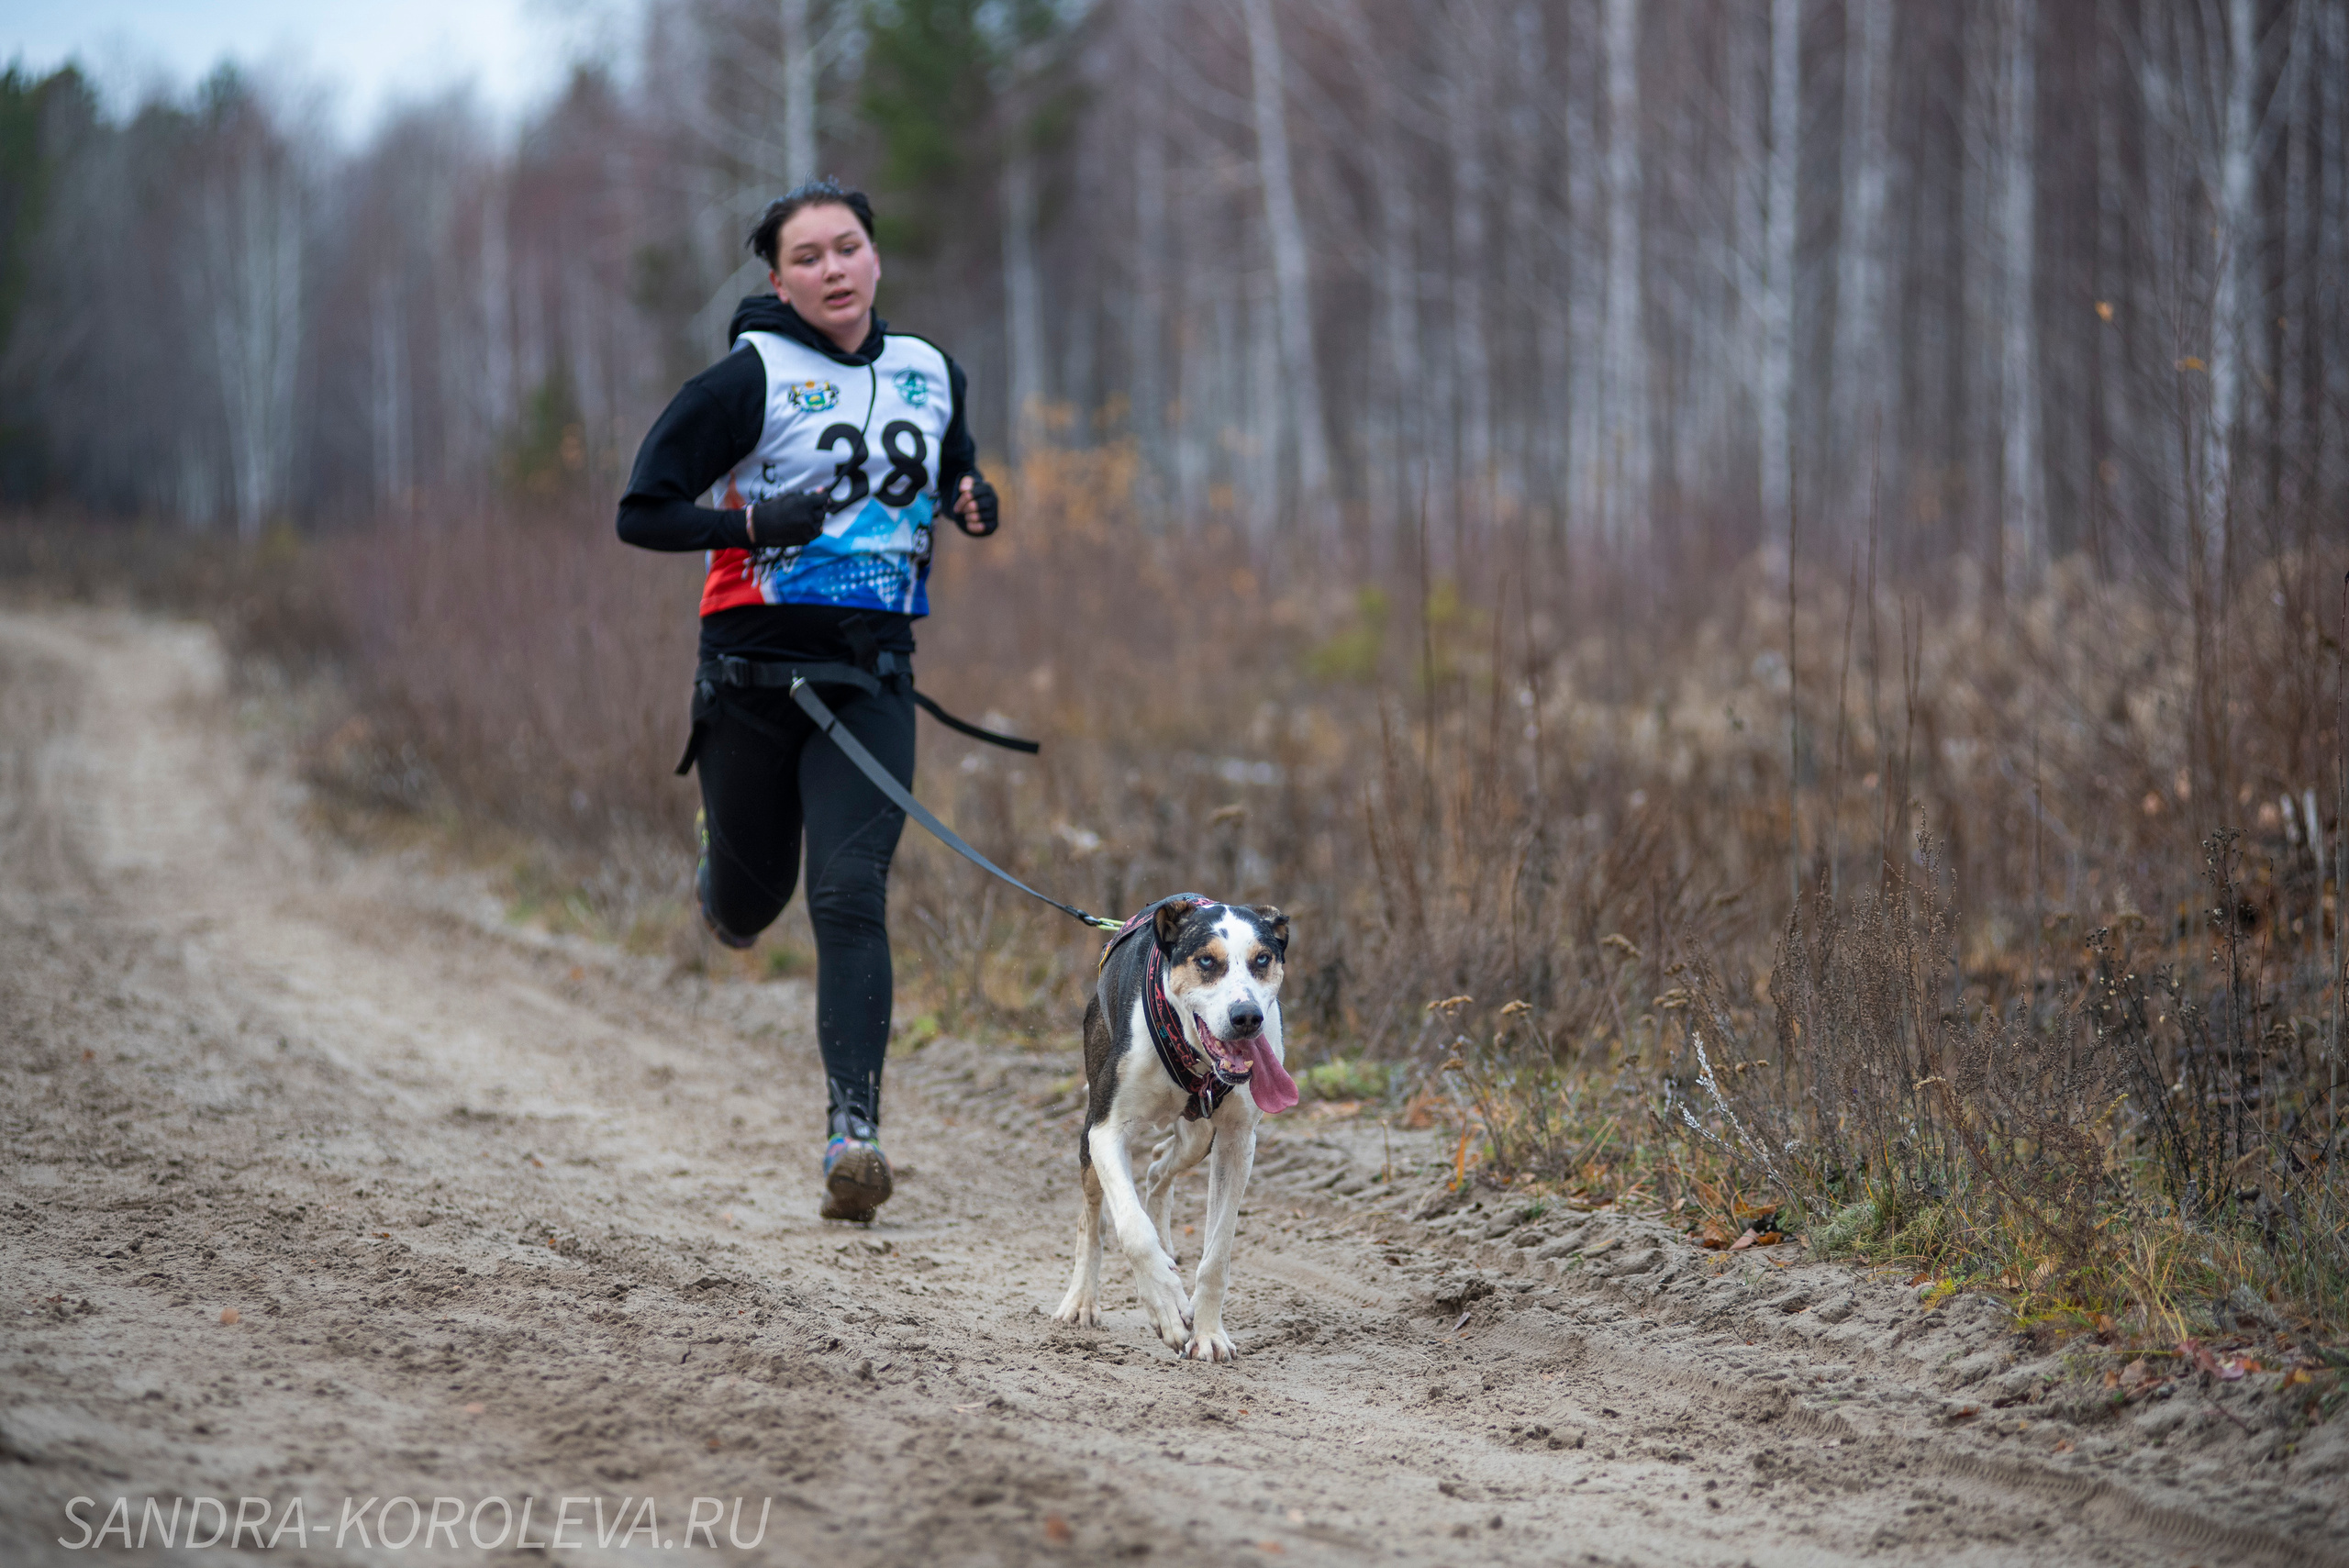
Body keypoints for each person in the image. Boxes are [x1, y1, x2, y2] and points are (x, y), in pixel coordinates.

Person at [616, 178, 999, 1222]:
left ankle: (853, 1135)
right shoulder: (746, 380)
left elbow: (953, 467)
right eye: (808, 257)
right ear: (778, 282)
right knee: (751, 905)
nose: (833, 269)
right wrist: (750, 526)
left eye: (847, 248)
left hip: (872, 679)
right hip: (750, 680)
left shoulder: (932, 370)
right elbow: (641, 512)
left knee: (848, 893)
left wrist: (973, 498)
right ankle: (720, 879)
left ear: (875, 256)